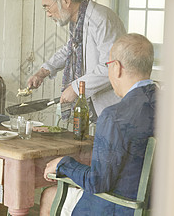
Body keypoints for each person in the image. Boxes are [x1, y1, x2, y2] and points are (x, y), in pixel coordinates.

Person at [40, 33, 157, 216]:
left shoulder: (114, 116)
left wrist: (63, 163)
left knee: (49, 196)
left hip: (123, 208)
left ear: (117, 68)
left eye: (108, 65)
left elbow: (98, 182)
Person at [27, 0, 126, 121]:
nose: (48, 14)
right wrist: (44, 71)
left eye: (47, 7)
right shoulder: (79, 19)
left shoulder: (101, 19)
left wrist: (75, 87)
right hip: (94, 109)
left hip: (113, 110)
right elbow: (71, 49)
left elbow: (111, 66)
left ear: (65, 0)